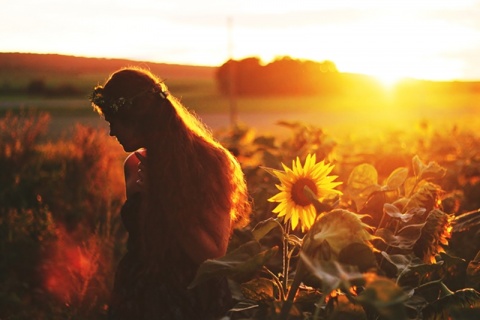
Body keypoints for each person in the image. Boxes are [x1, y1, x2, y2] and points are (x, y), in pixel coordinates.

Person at [90, 67, 251, 319]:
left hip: (191, 298)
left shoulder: (209, 162)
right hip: (138, 296)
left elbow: (211, 254)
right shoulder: (133, 165)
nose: (112, 133)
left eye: (114, 123)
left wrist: (161, 192)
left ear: (136, 118)